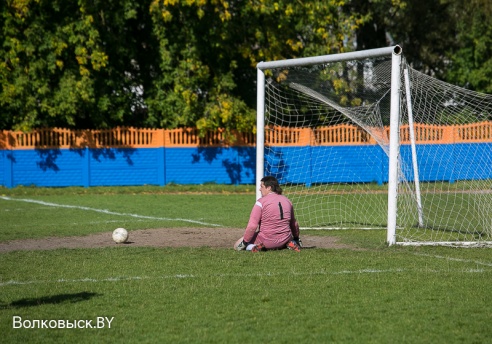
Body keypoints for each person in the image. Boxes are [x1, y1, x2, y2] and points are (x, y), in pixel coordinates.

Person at [235, 176, 302, 252]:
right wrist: (296, 238)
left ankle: (254, 247)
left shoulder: (261, 202)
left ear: (269, 188)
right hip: (285, 239)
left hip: (266, 241)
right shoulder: (287, 201)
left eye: (262, 186)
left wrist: (244, 242)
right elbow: (294, 223)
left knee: (238, 245)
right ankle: (291, 243)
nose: (260, 189)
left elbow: (252, 225)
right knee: (286, 237)